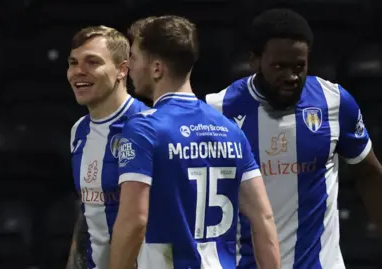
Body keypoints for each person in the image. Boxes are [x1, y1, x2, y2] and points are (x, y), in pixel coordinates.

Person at [205, 8, 382, 269]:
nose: (291, 77)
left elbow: (370, 175)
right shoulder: (217, 111)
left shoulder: (334, 102)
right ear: (254, 61)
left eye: (299, 66)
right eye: (279, 66)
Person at [108, 15, 280, 269]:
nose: (129, 67)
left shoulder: (144, 128)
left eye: (133, 57)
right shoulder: (230, 129)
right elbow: (263, 217)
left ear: (157, 68)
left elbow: (135, 220)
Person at [66, 25, 149, 269]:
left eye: (92, 62)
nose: (78, 72)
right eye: (73, 63)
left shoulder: (149, 125)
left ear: (122, 69)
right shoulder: (78, 130)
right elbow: (87, 213)